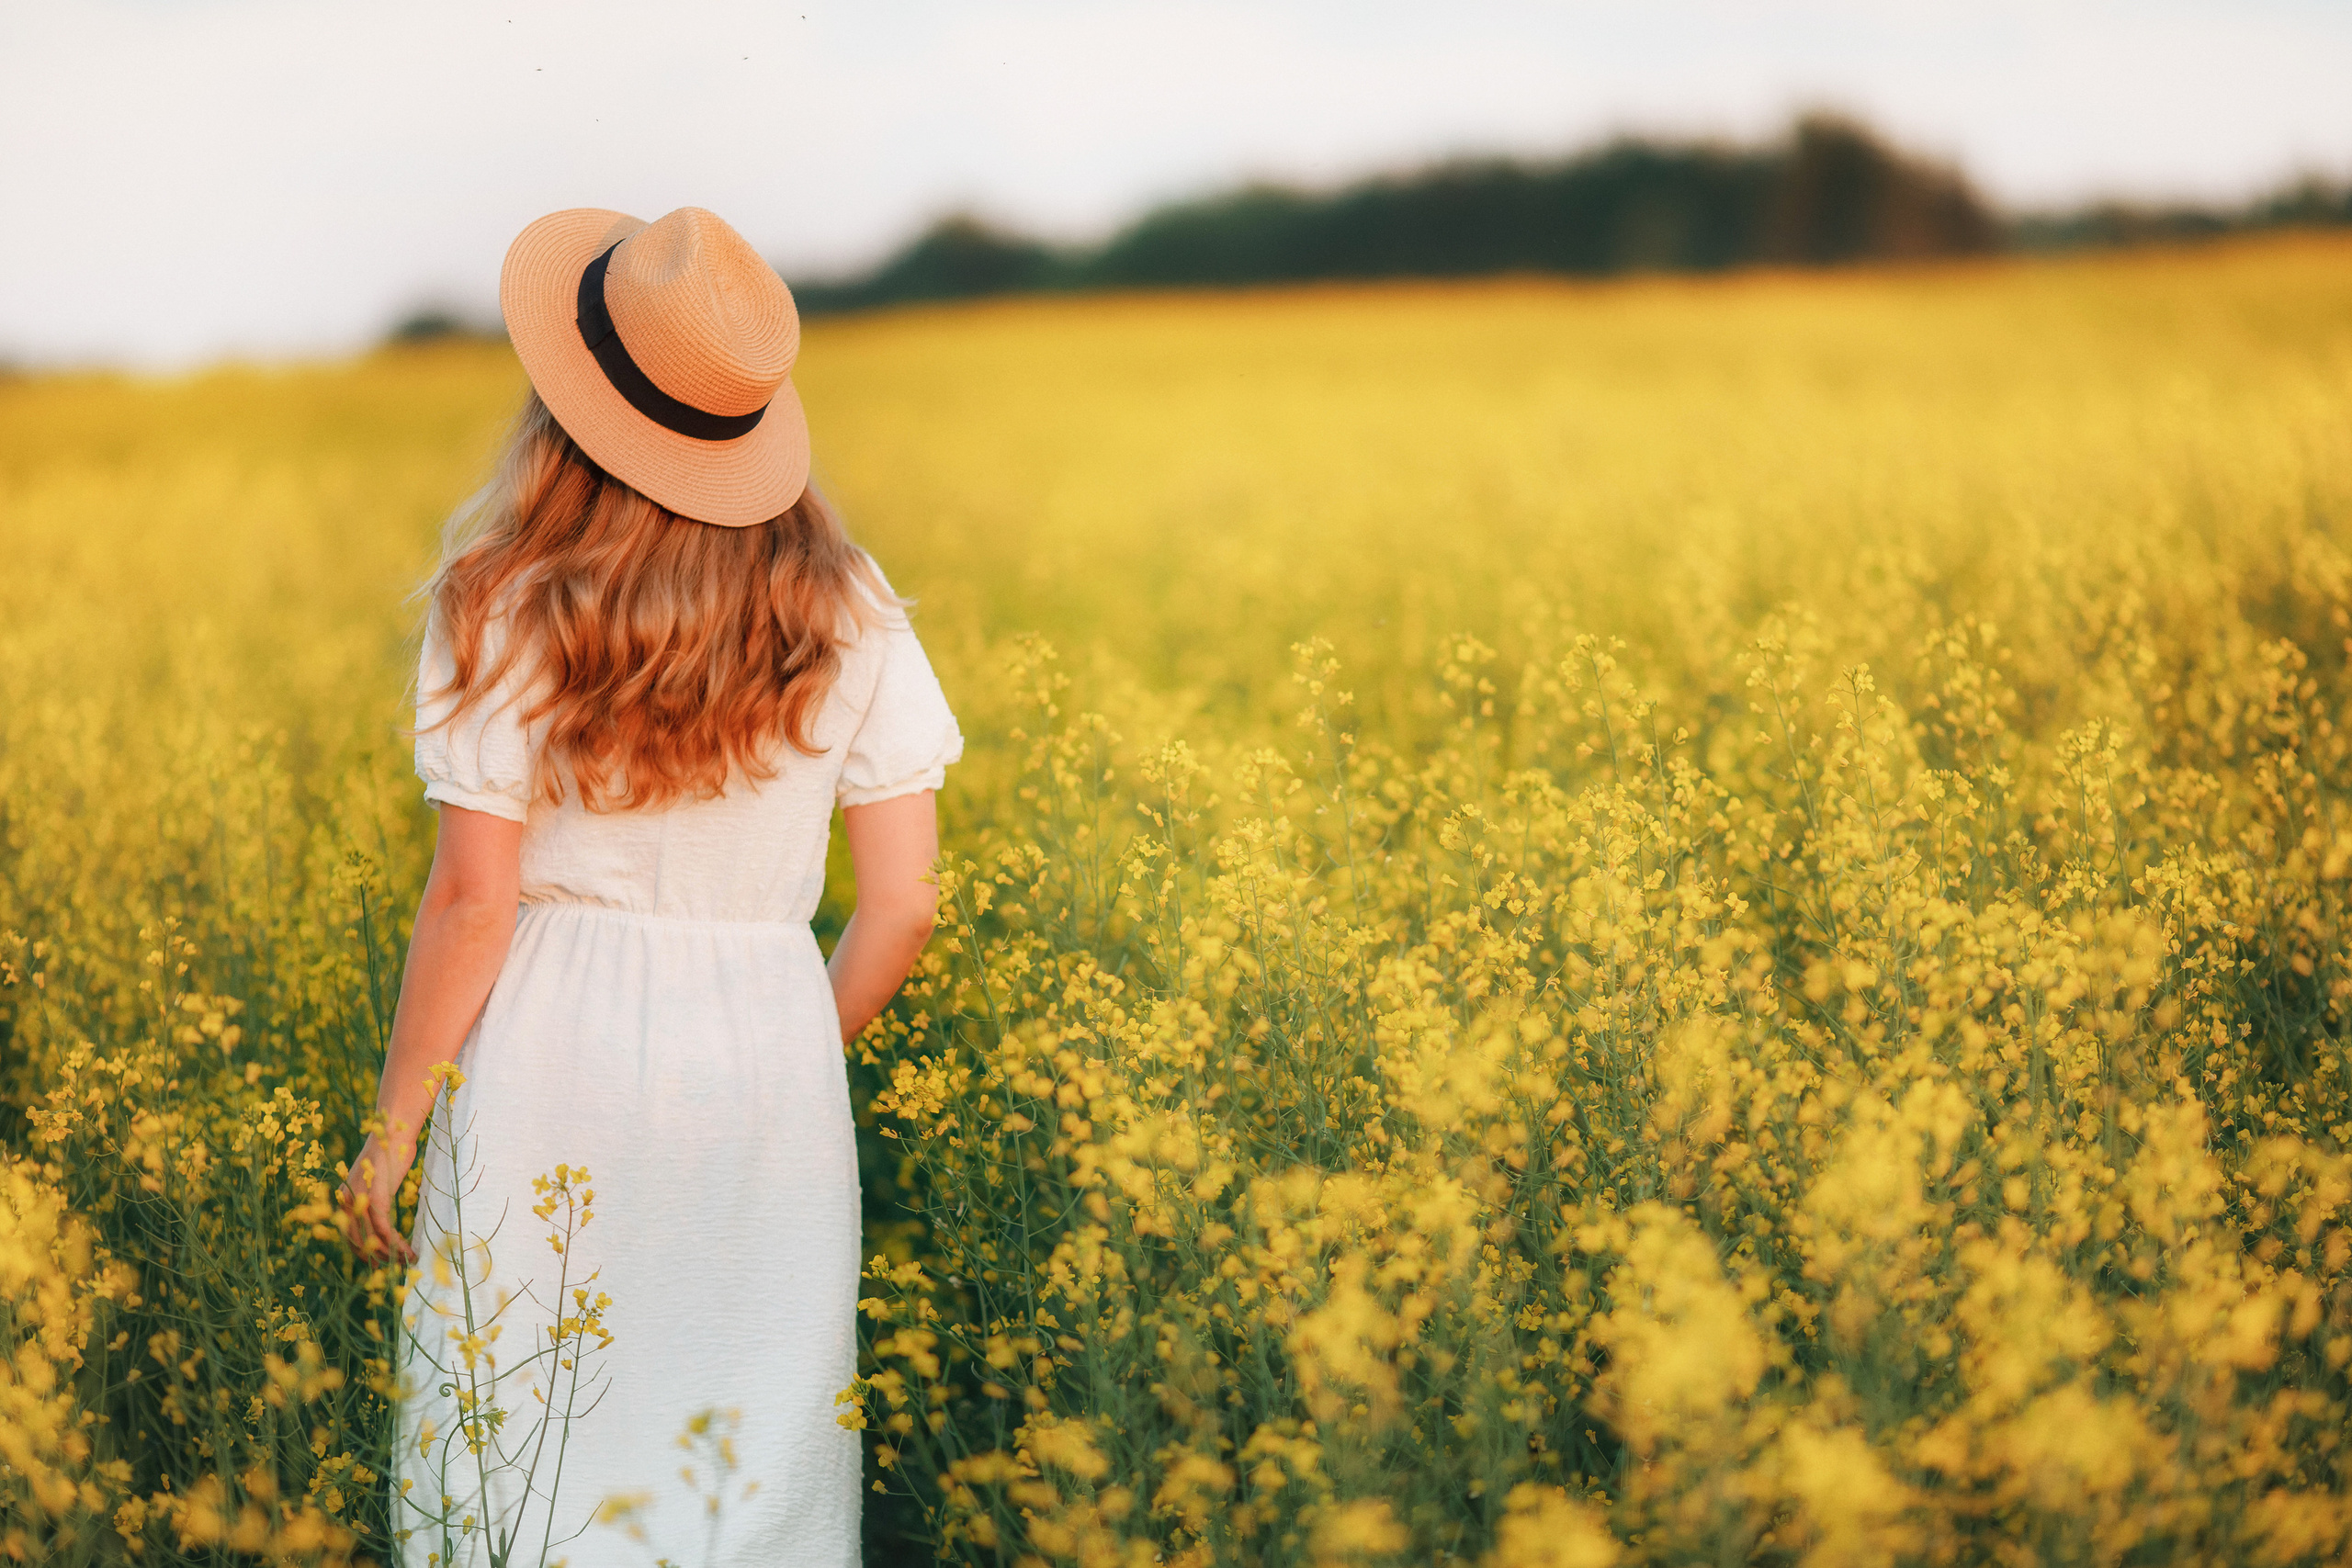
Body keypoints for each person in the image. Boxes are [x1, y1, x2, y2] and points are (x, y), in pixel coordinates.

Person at [337, 205, 960, 1567]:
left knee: (525, 1436)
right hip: (762, 1055)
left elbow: (474, 904)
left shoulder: (501, 599)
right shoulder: (850, 604)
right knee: (751, 1436)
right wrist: (798, 1048)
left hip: (549, 1054)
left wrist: (394, 1127)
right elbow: (905, 900)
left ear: (569, 405)